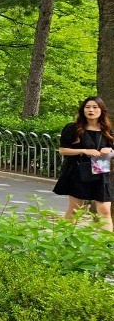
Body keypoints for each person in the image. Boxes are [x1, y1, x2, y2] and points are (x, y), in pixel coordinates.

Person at [52, 95, 113, 232]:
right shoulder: (73, 128)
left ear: (101, 110)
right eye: (87, 107)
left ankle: (106, 246)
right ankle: (65, 238)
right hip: (78, 172)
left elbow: (112, 149)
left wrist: (109, 150)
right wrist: (85, 151)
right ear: (83, 110)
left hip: (100, 172)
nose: (91, 110)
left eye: (94, 107)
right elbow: (62, 151)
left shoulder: (107, 131)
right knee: (75, 209)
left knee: (104, 211)